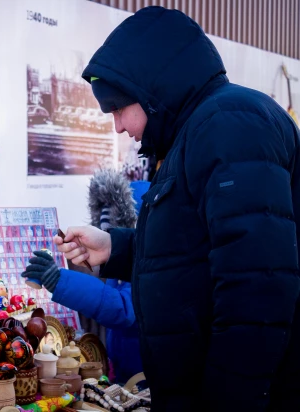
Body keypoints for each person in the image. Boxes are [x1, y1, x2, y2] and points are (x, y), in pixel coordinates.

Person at [55, 6, 300, 411]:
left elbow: (258, 290)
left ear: (151, 91)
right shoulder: (199, 131)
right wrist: (114, 248)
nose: (117, 126)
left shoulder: (230, 123)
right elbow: (194, 249)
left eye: (117, 108)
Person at [22, 169, 146, 384]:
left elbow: (125, 308)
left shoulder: (149, 257)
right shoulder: (130, 255)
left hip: (146, 373)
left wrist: (58, 281)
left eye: (114, 234)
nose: (110, 242)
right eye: (104, 231)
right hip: (126, 367)